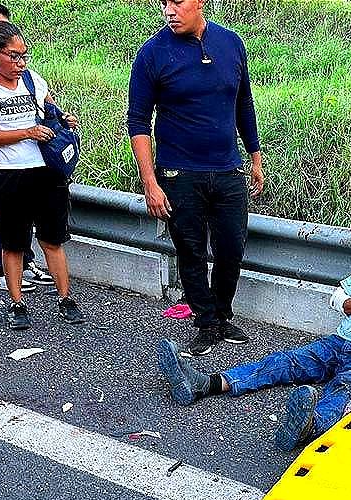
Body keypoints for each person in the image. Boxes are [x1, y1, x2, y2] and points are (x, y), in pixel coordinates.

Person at [157, 210, 351, 451]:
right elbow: (338, 298)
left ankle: (310, 425)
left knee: (346, 386)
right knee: (284, 361)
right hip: (339, 342)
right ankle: (206, 383)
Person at [128, 0, 264, 357]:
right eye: (164, 3)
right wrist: (149, 182)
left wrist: (254, 155)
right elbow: (138, 121)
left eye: (177, 2)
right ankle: (205, 322)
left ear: (200, 2)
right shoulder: (152, 54)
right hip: (178, 172)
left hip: (228, 168)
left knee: (232, 248)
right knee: (190, 251)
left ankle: (221, 314)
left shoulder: (230, 43)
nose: (169, 10)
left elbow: (243, 102)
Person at [0, 21, 84, 330]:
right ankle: (17, 303)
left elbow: (49, 109)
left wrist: (63, 118)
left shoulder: (32, 79)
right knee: (13, 243)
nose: (20, 64)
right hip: (8, 173)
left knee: (52, 239)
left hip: (46, 171)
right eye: (13, 56)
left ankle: (65, 298)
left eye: (24, 56)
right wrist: (26, 132)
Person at [0, 1, 53, 293]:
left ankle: (25, 264)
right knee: (10, 232)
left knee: (32, 229)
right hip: (7, 166)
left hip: (37, 166)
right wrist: (27, 131)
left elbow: (45, 102)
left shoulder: (24, 72)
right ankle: (5, 272)